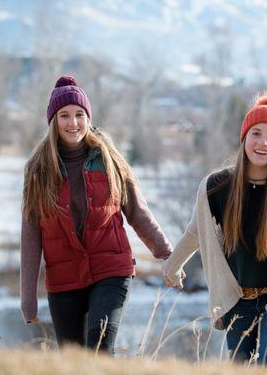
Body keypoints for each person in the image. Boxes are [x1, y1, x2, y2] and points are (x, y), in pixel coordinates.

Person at [162, 93, 267, 365]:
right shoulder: (216, 187)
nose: (263, 143)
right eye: (256, 133)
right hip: (238, 302)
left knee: (264, 368)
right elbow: (195, 232)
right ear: (244, 138)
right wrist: (172, 266)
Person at [20, 75, 172, 354]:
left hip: (111, 268)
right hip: (63, 276)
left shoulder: (110, 159)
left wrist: (167, 254)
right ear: (53, 121)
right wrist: (27, 296)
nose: (73, 123)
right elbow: (31, 236)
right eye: (64, 115)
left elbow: (138, 212)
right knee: (74, 358)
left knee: (100, 346)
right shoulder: (38, 170)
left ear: (88, 117)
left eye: (79, 114)